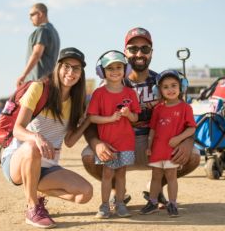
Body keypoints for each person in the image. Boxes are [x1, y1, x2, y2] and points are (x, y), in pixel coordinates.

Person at [82, 27, 200, 206]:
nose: (139, 53)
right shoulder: (109, 83)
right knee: (90, 156)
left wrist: (187, 141)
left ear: (151, 53)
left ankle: (156, 186)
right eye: (133, 49)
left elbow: (184, 117)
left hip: (156, 144)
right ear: (125, 52)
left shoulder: (164, 82)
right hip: (118, 144)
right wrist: (96, 143)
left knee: (192, 155)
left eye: (145, 49)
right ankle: (117, 192)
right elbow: (90, 122)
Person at [1, 47, 93, 229]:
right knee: (32, 146)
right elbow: (17, 129)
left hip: (47, 166)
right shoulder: (39, 88)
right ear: (58, 68)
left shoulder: (77, 102)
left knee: (85, 194)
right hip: (18, 159)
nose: (71, 72)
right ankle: (32, 207)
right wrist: (37, 137)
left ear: (81, 74)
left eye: (76, 68)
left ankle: (34, 192)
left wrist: (86, 120)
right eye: (66, 66)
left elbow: (69, 141)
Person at [88, 50, 141, 218]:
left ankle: (120, 204)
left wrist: (128, 115)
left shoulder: (130, 93)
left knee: (121, 174)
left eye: (119, 67)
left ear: (125, 69)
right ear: (102, 71)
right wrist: (110, 118)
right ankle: (104, 205)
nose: (115, 71)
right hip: (108, 142)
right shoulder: (99, 93)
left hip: (126, 142)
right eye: (110, 68)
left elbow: (135, 118)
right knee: (107, 174)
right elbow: (92, 118)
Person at [139, 69, 196, 217]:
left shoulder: (185, 108)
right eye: (165, 87)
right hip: (158, 149)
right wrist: (149, 147)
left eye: (173, 85)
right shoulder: (158, 108)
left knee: (171, 176)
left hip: (172, 150)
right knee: (155, 176)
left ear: (181, 87)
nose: (170, 89)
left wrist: (178, 139)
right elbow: (152, 129)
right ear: (159, 90)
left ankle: (172, 203)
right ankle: (152, 202)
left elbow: (191, 128)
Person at [17, 3, 60, 87]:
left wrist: (23, 75)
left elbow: (36, 54)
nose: (30, 18)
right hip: (49, 81)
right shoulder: (54, 32)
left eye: (32, 15)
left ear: (40, 14)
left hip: (38, 82)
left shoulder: (42, 30)